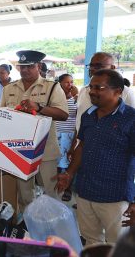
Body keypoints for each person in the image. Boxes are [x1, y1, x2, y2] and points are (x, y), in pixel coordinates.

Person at [55, 69, 135, 245]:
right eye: (91, 87)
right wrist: (68, 174)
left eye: (99, 87)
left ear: (118, 91)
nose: (92, 91)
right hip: (85, 191)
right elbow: (82, 146)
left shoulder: (131, 118)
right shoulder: (88, 115)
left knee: (118, 245)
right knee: (92, 241)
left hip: (115, 196)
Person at [0, 50, 68, 213]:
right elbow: (2, 115)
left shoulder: (52, 87)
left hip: (45, 149)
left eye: (29, 66)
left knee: (51, 191)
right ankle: (29, 224)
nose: (24, 70)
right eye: (21, 66)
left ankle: (54, 223)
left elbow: (63, 115)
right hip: (19, 149)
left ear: (39, 66)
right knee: (24, 193)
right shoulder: (9, 88)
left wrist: (39, 107)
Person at [55, 74, 77, 202]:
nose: (70, 85)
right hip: (57, 133)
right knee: (57, 163)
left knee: (70, 163)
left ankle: (68, 190)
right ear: (60, 83)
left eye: (71, 82)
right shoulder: (55, 98)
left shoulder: (76, 98)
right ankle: (59, 186)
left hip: (70, 135)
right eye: (67, 82)